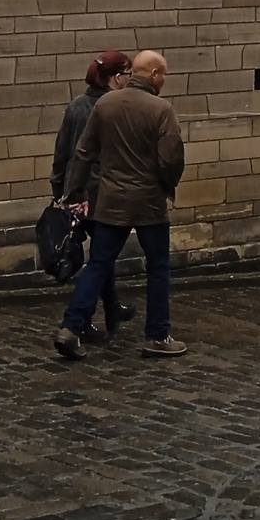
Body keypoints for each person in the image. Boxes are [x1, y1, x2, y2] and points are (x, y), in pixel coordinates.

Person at [55, 48, 186, 361]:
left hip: (112, 199)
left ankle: (71, 328)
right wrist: (167, 185)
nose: (164, 80)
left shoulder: (105, 103)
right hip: (149, 202)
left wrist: (76, 192)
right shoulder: (161, 109)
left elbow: (84, 152)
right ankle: (157, 335)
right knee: (157, 267)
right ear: (154, 74)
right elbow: (171, 158)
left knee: (99, 263)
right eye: (163, 74)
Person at [49, 50, 134, 334]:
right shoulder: (113, 108)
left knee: (102, 255)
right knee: (101, 257)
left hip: (75, 192)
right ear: (117, 77)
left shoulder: (76, 105)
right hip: (100, 194)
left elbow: (62, 151)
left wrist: (59, 189)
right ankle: (79, 320)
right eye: (128, 74)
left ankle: (112, 306)